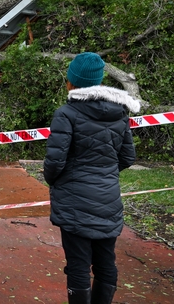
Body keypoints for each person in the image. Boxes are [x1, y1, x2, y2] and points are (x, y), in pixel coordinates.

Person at [44, 52, 140, 304]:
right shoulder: (120, 113)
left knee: (78, 265)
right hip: (108, 199)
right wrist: (103, 173)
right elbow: (127, 157)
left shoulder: (66, 113)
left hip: (74, 202)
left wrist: (57, 181)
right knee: (106, 262)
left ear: (71, 82)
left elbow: (55, 162)